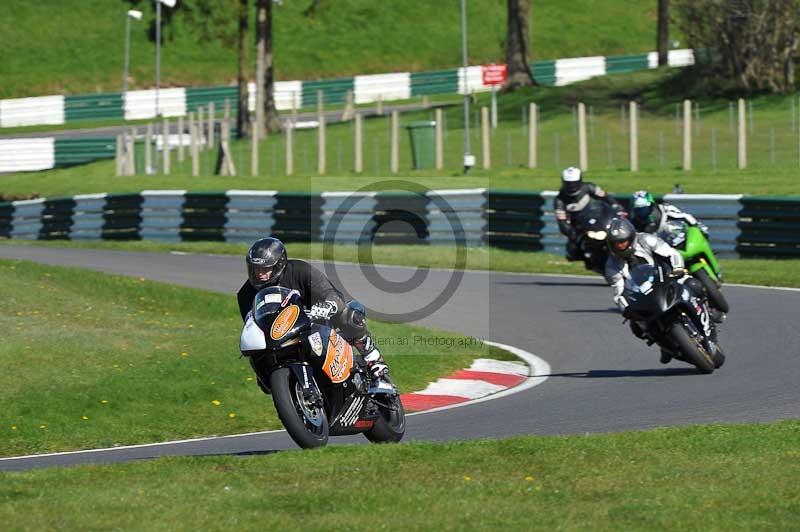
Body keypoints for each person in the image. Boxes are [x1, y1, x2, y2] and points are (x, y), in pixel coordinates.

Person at [237, 237, 393, 389]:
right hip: (281, 339)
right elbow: (252, 324)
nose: (259, 273)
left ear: (279, 265)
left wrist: (327, 306)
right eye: (255, 268)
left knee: (350, 314)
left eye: (265, 269)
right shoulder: (245, 294)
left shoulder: (300, 270)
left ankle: (373, 357)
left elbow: (331, 294)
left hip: (317, 324)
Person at [603, 218, 715, 364]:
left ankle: (707, 310)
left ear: (631, 237)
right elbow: (618, 292)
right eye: (616, 244)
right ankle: (666, 345)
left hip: (668, 277)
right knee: (637, 327)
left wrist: (678, 268)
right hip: (643, 294)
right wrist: (626, 309)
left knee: (694, 285)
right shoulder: (611, 266)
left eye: (622, 242)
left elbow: (671, 253)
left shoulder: (646, 240)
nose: (620, 246)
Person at [554, 167, 625, 261]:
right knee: (572, 252)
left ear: (579, 180)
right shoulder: (560, 200)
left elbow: (606, 197)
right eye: (568, 184)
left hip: (598, 218)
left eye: (574, 183)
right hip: (579, 225)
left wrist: (616, 206)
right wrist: (571, 231)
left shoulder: (589, 187)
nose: (571, 186)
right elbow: (561, 222)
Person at [628, 190, 709, 247]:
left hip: (676, 241)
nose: (641, 212)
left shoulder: (664, 209)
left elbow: (684, 216)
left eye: (644, 208)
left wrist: (697, 226)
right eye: (637, 209)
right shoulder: (632, 224)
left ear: (651, 205)